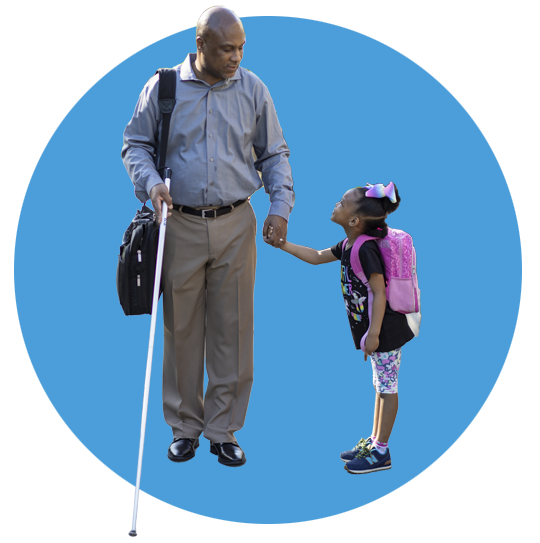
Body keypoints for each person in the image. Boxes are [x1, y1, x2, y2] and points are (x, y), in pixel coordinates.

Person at [121, 7, 294, 467]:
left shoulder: (253, 89)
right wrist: (151, 182)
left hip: (238, 222)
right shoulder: (163, 87)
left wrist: (280, 206)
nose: (236, 56)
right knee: (182, 327)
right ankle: (185, 428)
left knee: (233, 327)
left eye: (241, 48)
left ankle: (223, 430)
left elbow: (274, 153)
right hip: (178, 222)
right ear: (201, 45)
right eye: (226, 49)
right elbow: (134, 144)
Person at [272, 182, 414, 474]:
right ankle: (374, 443)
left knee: (387, 388)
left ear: (354, 220)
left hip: (385, 329)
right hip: (374, 331)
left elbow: (379, 291)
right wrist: (283, 244)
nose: (336, 204)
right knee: (379, 386)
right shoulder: (349, 244)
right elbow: (316, 257)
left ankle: (382, 452)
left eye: (342, 202)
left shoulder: (366, 249)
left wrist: (373, 334)